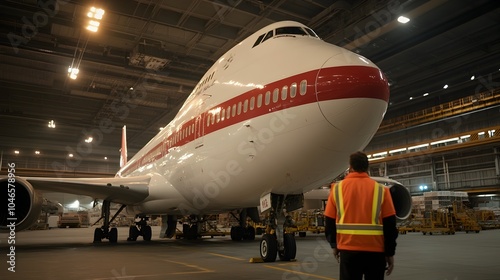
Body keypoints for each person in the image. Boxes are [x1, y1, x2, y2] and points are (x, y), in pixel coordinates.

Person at [324, 151, 398, 280]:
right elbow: (390, 226)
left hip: (348, 251)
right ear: (367, 167)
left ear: (351, 167)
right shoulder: (382, 190)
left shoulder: (336, 189)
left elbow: (329, 221)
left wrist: (334, 245)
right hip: (376, 253)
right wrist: (389, 253)